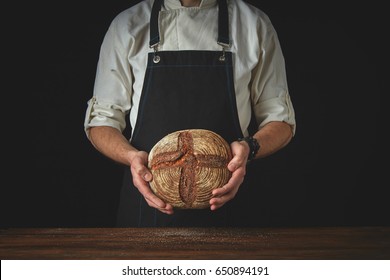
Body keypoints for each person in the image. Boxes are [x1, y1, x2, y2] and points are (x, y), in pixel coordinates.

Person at [84, 0, 296, 227]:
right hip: (146, 213)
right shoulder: (127, 25)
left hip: (229, 211)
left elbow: (281, 121)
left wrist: (249, 148)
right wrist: (131, 157)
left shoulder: (254, 24)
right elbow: (101, 122)